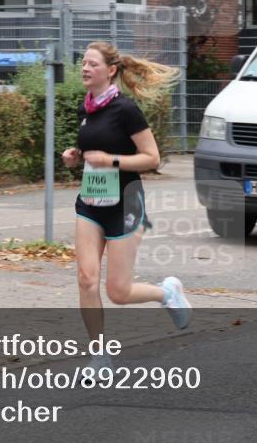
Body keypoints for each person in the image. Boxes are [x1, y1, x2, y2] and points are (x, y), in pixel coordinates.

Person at [62, 41, 191, 374]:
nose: (85, 68)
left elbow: (152, 158)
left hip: (125, 204)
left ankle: (166, 293)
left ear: (111, 70)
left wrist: (111, 160)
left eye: (92, 64)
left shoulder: (126, 109)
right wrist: (75, 157)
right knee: (86, 279)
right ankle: (99, 357)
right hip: (90, 202)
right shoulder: (86, 108)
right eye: (83, 63)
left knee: (117, 291)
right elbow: (91, 150)